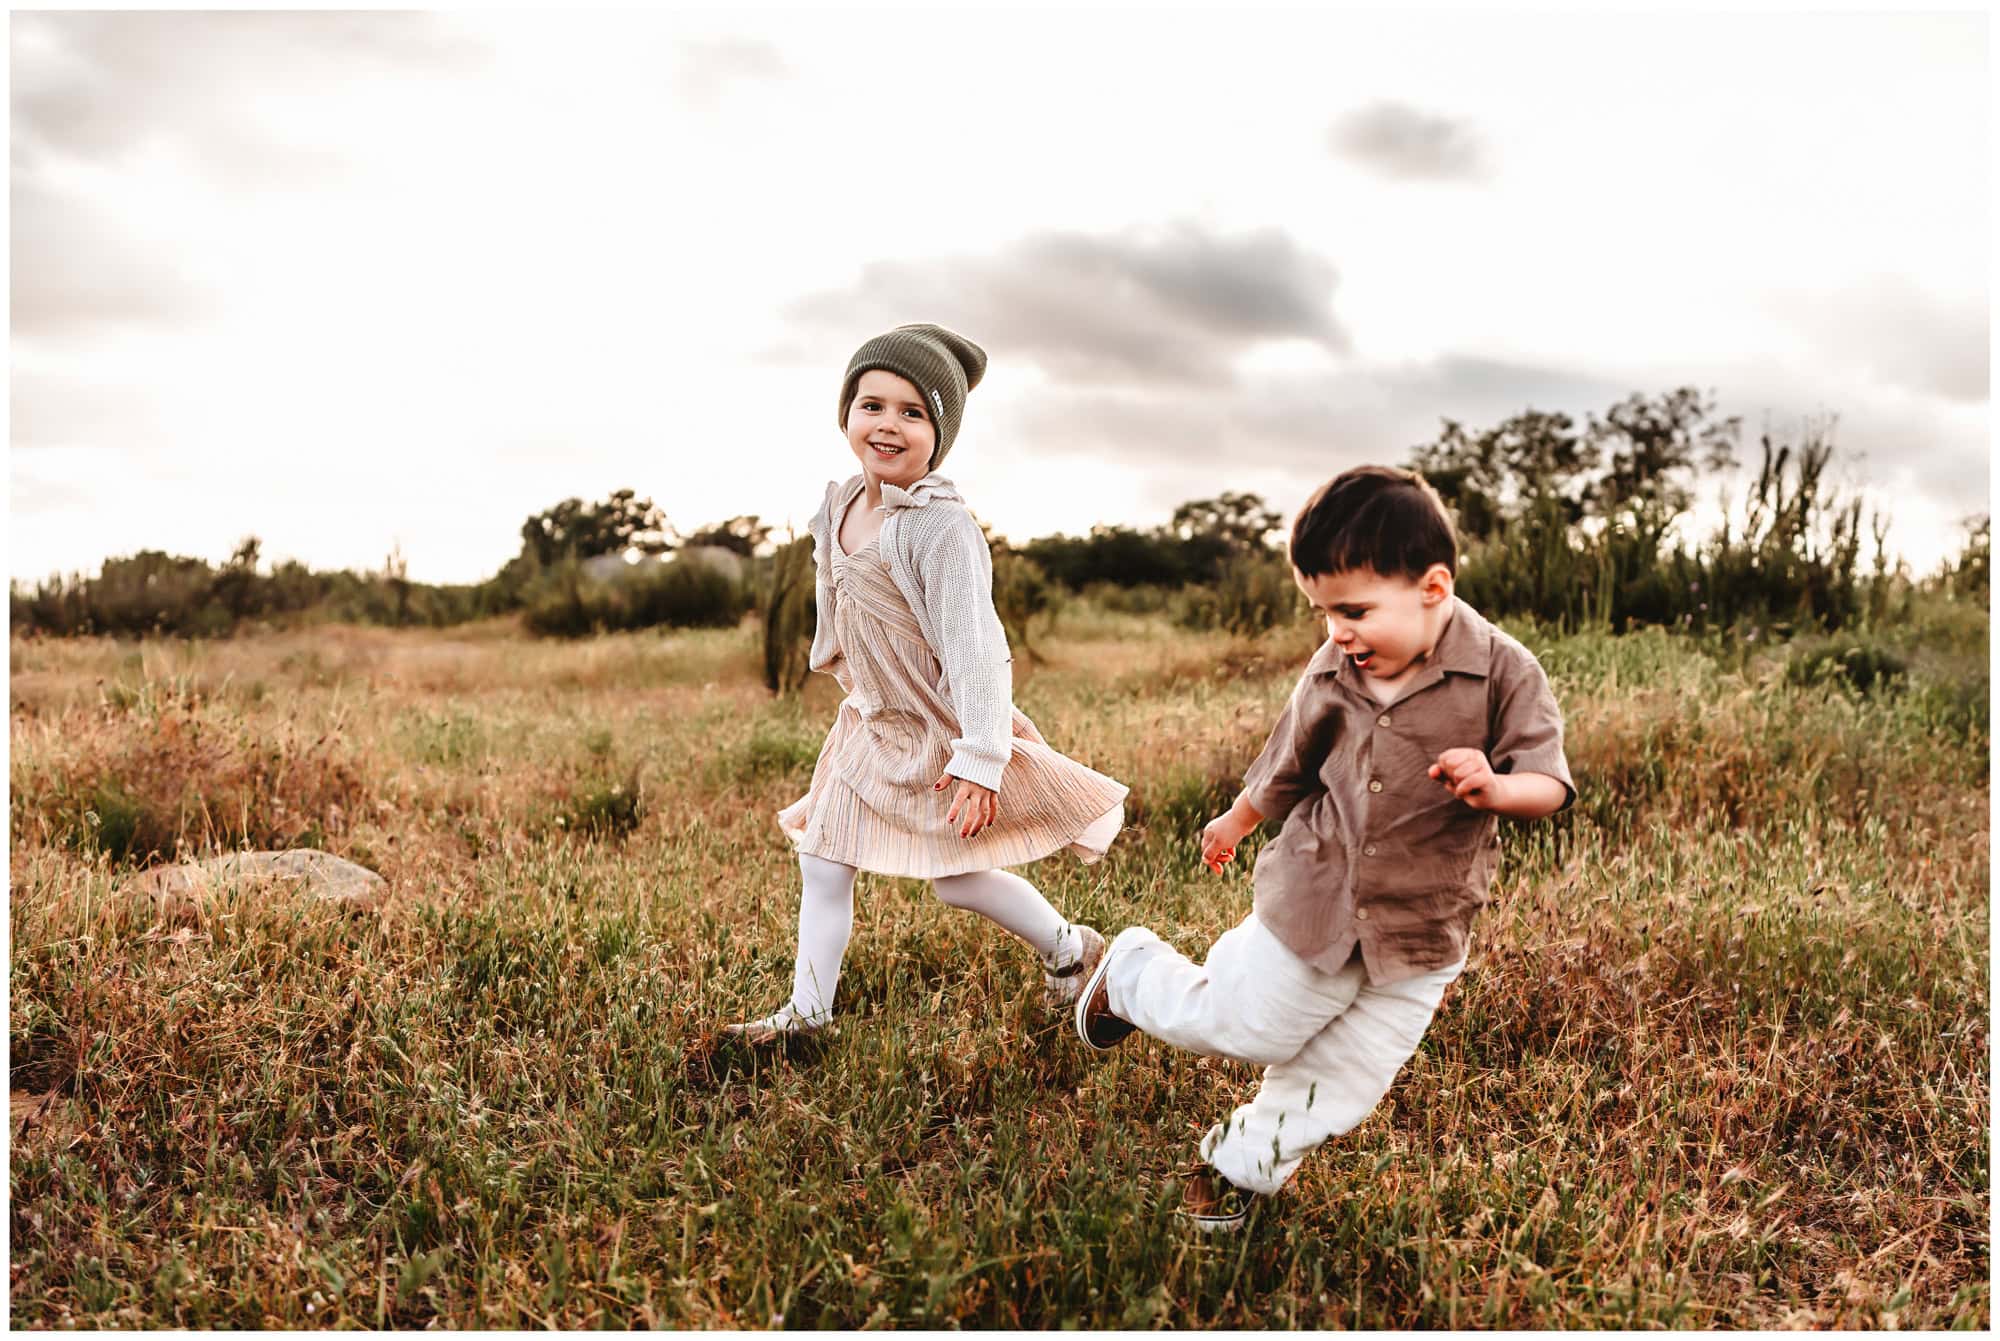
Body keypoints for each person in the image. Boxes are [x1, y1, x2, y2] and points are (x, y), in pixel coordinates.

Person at [1074, 465, 1574, 1232]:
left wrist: (1497, 788)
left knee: (1345, 1079)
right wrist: (1240, 819)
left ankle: (1235, 1168)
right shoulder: (1335, 665)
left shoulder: (1505, 671)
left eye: (1354, 609)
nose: (1337, 630)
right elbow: (1291, 755)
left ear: (1433, 588)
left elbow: (1547, 781)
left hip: (1424, 929)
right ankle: (1132, 971)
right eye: (1321, 611)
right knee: (1248, 1027)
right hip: (1316, 905)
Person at [728, 324, 1127, 1042]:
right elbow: (837, 593)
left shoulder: (939, 527)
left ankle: (1074, 950)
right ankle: (807, 1017)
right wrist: (842, 664)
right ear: (846, 413)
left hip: (943, 731)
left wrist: (980, 757)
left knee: (958, 878)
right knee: (824, 859)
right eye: (871, 404)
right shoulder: (841, 504)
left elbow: (979, 651)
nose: (887, 424)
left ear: (939, 434)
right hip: (872, 722)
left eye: (912, 413)